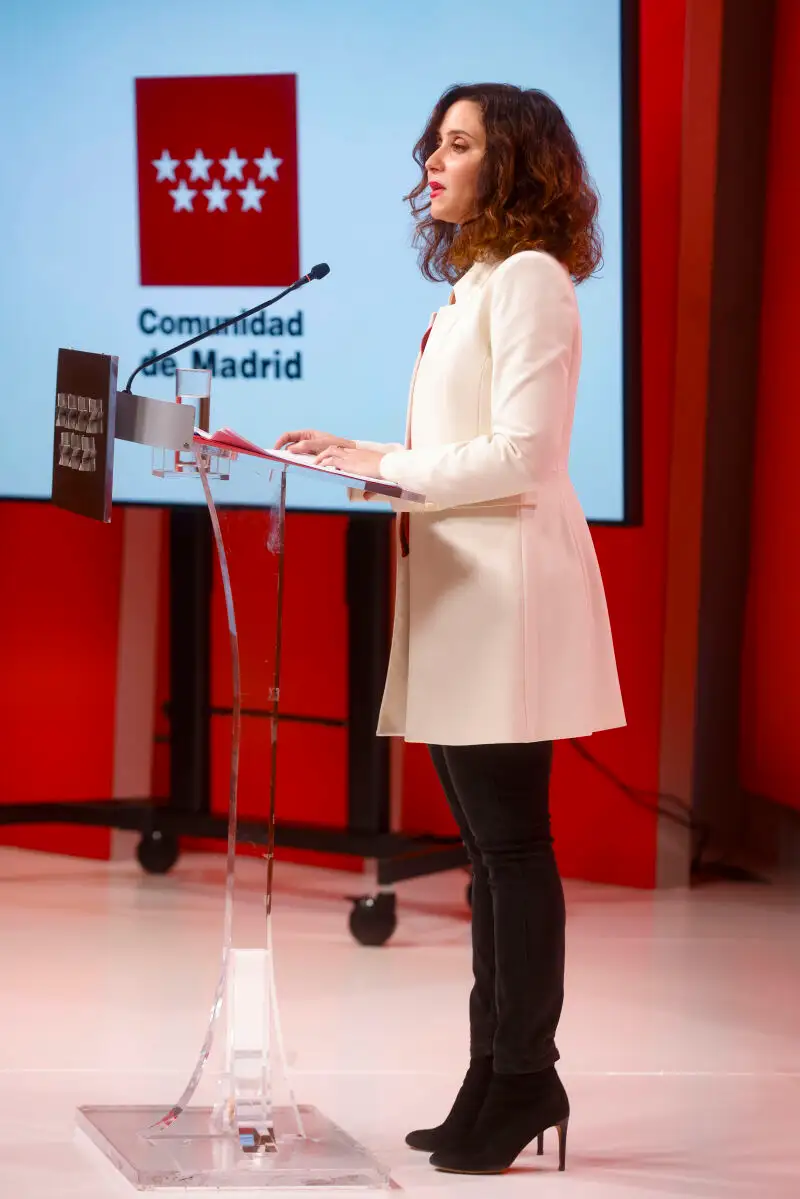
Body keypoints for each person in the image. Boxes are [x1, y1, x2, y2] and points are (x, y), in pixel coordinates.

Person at [275, 83, 625, 1175]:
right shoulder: (481, 280)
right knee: (489, 847)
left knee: (511, 847)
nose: (433, 156)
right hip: (466, 591)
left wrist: (385, 468)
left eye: (460, 142)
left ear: (511, 163)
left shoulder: (529, 282)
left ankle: (522, 1076)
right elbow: (460, 442)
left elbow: (523, 454)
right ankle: (494, 1069)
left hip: (506, 596)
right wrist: (357, 448)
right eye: (435, 138)